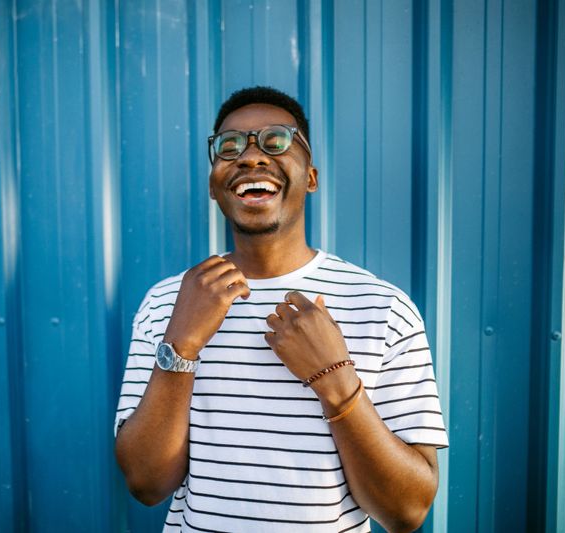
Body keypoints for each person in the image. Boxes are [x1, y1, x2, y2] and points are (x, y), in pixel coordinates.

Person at [114, 86, 448, 533]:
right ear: (215, 184)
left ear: (310, 176)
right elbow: (146, 483)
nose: (251, 157)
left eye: (276, 140)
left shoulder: (384, 307)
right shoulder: (165, 304)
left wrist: (335, 378)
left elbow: (406, 512)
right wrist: (182, 343)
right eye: (229, 146)